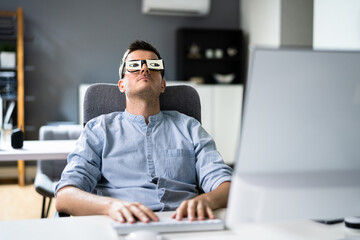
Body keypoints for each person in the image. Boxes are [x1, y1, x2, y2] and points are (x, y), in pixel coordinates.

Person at [55, 40, 232, 223]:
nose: (145, 69)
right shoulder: (98, 130)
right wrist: (111, 207)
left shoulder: (190, 128)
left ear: (163, 85)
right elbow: (65, 196)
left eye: (154, 66)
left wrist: (206, 200)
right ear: (122, 85)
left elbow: (226, 183)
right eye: (134, 66)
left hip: (184, 221)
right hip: (121, 223)